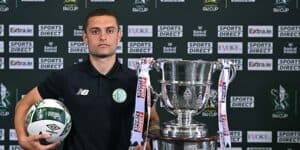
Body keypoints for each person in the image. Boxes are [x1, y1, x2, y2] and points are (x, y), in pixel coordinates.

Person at [14, 8, 159, 150]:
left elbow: (153, 119)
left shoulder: (135, 80)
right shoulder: (66, 77)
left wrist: (148, 140)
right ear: (85, 37)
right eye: (95, 31)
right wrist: (22, 139)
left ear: (119, 35)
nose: (103, 37)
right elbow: (23, 105)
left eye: (109, 30)